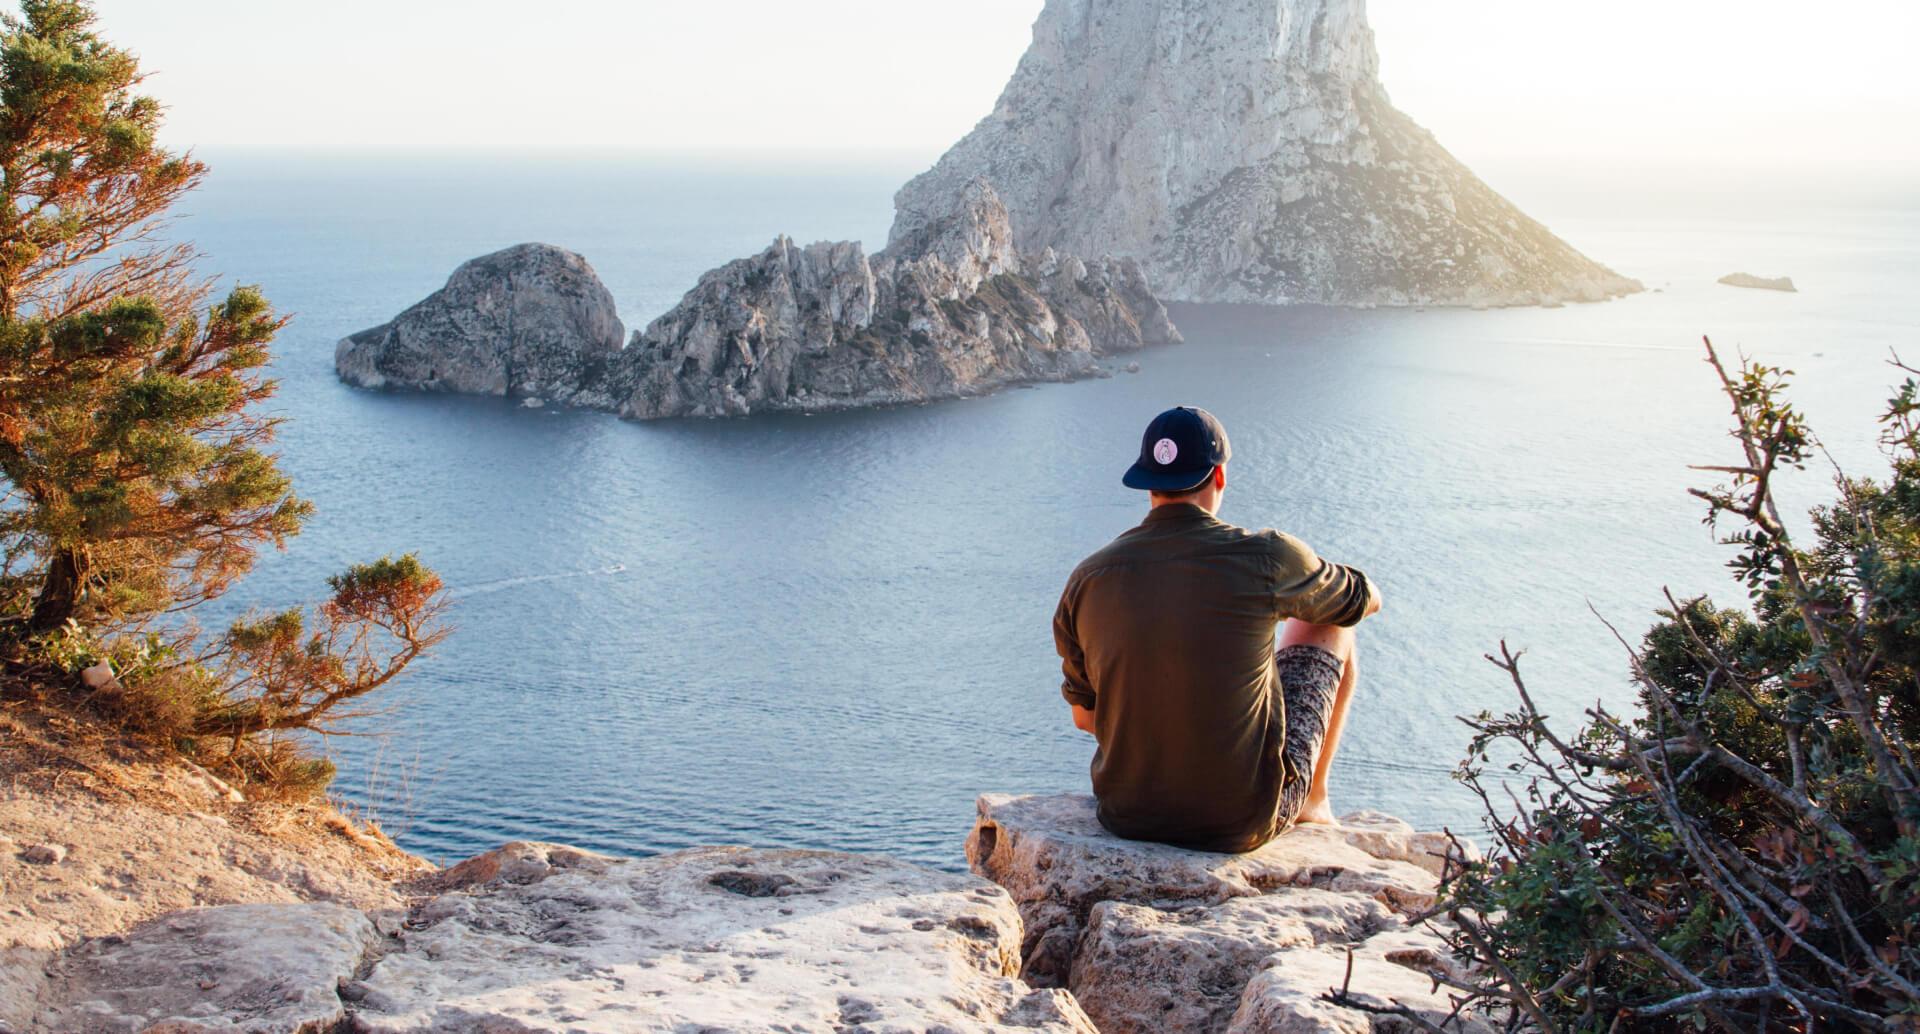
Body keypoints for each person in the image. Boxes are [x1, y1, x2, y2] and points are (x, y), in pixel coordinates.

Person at [1052, 405, 1381, 853]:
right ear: (1219, 475)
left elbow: (1085, 718)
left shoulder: (1088, 578)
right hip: (1238, 822)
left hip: (1127, 815)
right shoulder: (1267, 557)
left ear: (1148, 484)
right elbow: (1362, 600)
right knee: (1333, 622)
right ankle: (1312, 800)